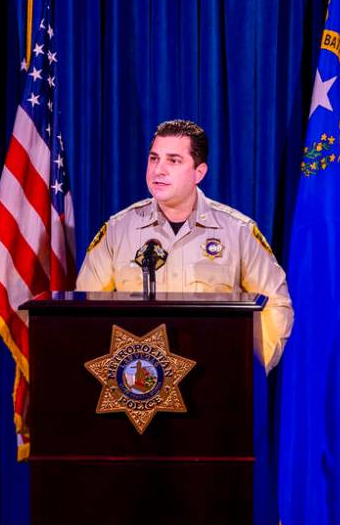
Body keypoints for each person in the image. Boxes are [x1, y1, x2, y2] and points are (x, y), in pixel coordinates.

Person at [76, 119, 294, 370]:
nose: (158, 170)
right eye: (154, 158)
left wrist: (246, 371)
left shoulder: (238, 231)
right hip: (138, 383)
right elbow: (85, 311)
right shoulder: (117, 230)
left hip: (214, 380)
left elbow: (275, 305)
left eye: (174, 160)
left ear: (199, 173)